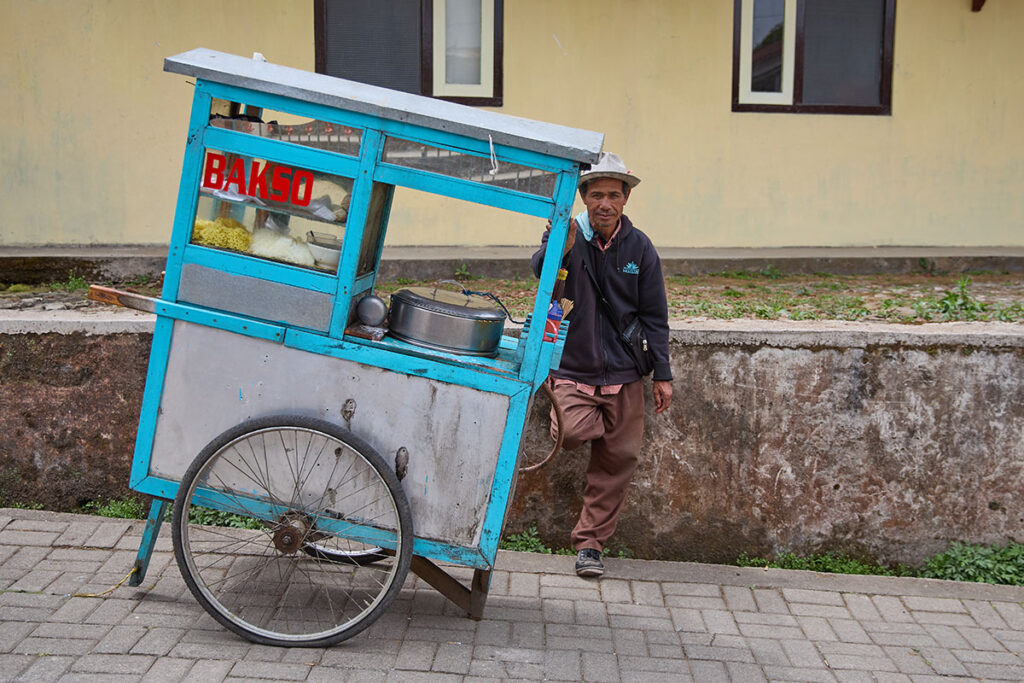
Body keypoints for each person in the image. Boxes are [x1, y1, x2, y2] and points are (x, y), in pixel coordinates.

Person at [530, 152, 673, 578]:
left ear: (626, 198)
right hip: (574, 367)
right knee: (573, 432)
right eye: (597, 195)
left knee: (618, 460)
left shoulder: (639, 247)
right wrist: (561, 247)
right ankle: (594, 427)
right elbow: (540, 272)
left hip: (627, 371)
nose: (605, 203)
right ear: (585, 198)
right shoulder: (567, 232)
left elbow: (655, 315)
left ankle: (590, 545)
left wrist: (662, 374)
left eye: (613, 194)